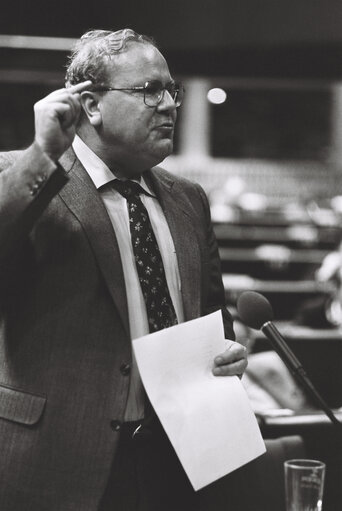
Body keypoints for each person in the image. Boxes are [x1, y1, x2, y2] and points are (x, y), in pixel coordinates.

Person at [0, 28, 248, 510]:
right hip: (57, 458)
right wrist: (43, 155)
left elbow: (212, 316)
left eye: (171, 90)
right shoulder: (24, 174)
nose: (169, 104)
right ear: (90, 105)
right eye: (148, 90)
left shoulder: (187, 198)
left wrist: (228, 354)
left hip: (175, 458)